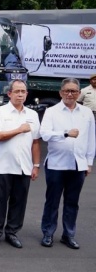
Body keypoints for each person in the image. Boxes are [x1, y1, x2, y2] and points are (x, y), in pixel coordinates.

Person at [39, 78, 95, 249]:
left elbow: (90, 139)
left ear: (79, 93)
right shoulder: (52, 112)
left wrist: (89, 162)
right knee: (52, 201)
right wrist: (65, 133)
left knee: (72, 202)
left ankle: (68, 234)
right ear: (60, 92)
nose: (70, 94)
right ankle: (48, 233)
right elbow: (45, 134)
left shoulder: (86, 113)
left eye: (74, 91)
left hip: (78, 164)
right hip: (56, 164)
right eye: (67, 91)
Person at [0, 80, 40, 248]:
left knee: (19, 202)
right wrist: (19, 129)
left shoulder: (32, 115)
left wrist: (36, 165)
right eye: (17, 91)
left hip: (24, 166)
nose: (20, 94)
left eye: (23, 91)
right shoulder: (0, 112)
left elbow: (36, 142)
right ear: (9, 93)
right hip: (2, 165)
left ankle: (12, 232)